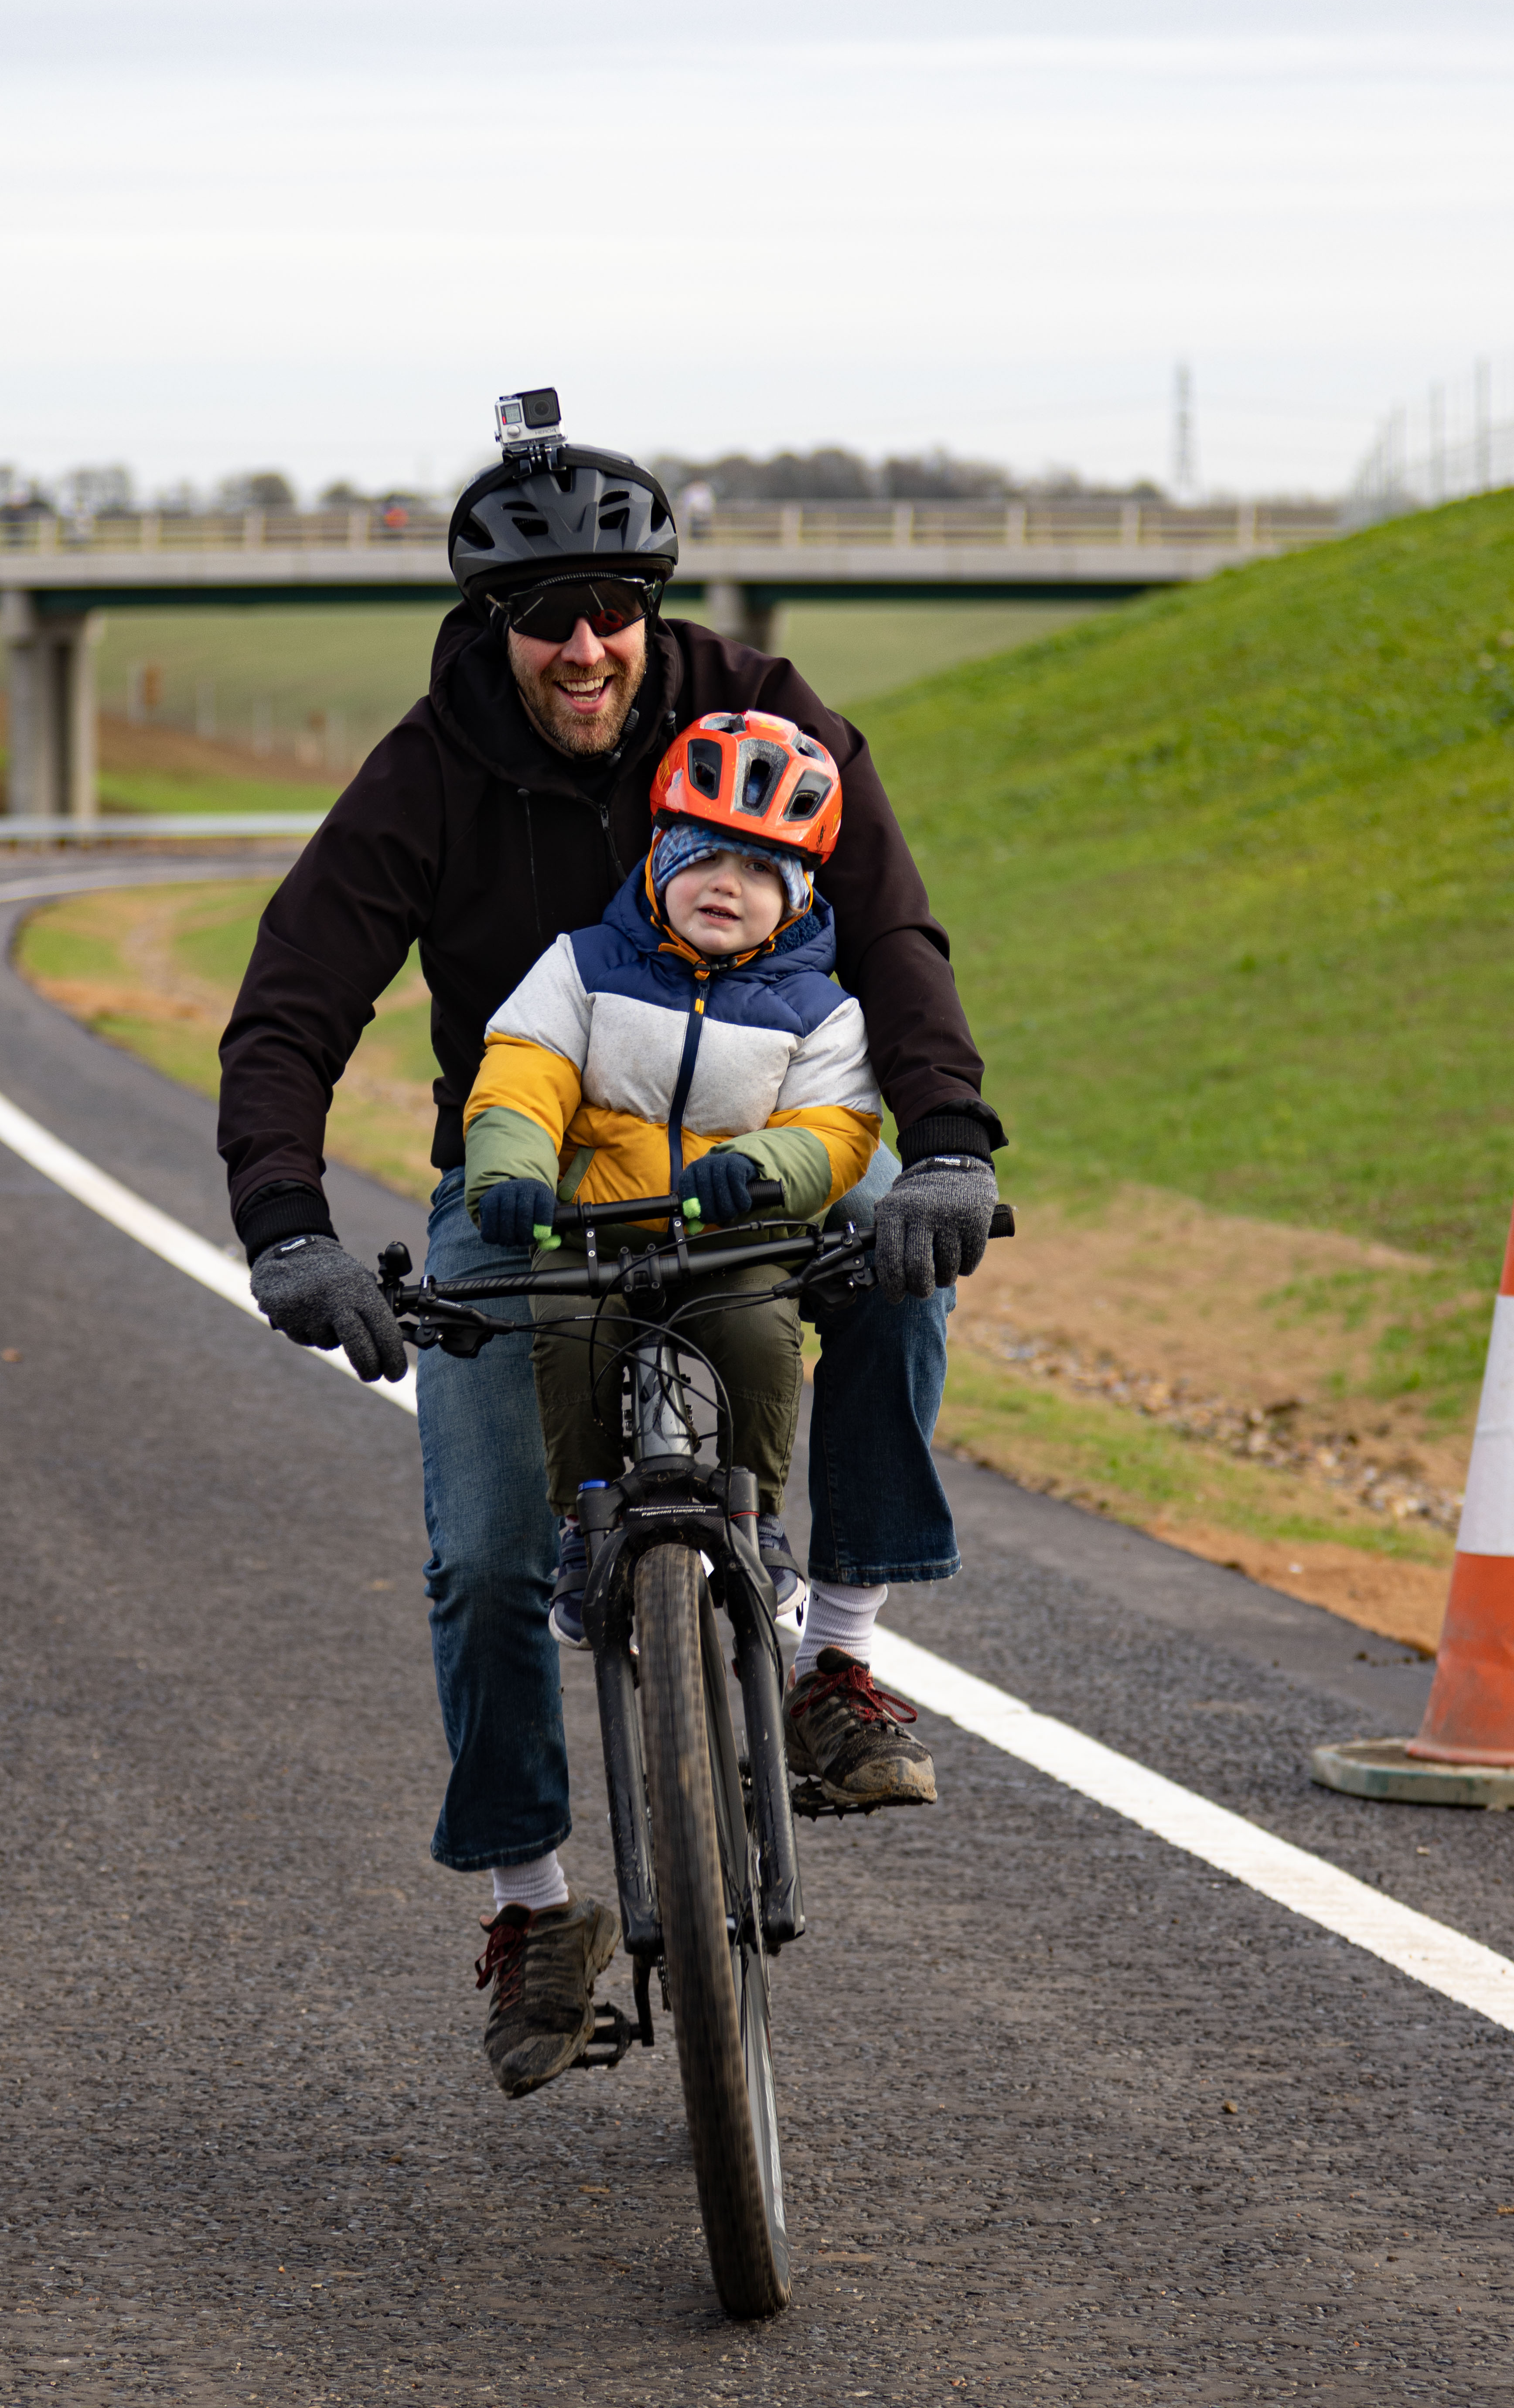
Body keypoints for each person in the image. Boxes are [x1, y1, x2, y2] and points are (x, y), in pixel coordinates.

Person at [218, 400, 1006, 2096]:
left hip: (762, 1151)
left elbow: (892, 933)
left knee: (896, 1246)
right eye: (540, 615)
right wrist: (288, 1229)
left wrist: (946, 1144)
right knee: (487, 1553)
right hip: (523, 1188)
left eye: (610, 607)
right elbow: (290, 1009)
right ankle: (532, 1907)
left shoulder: (767, 717)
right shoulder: (429, 771)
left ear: (652, 605)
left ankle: (840, 1657)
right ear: (490, 621)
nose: (581, 643)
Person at [463, 707, 878, 1668]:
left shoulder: (820, 1010)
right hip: (594, 1224)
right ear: (656, 857)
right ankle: (584, 1518)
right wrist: (515, 1173)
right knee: (566, 1324)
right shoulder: (582, 965)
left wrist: (764, 1169)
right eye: (700, 856)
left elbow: (838, 1127)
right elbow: (522, 1072)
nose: (723, 885)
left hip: (734, 1237)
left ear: (799, 893)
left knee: (755, 1332)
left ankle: (759, 1515)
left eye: (756, 870)